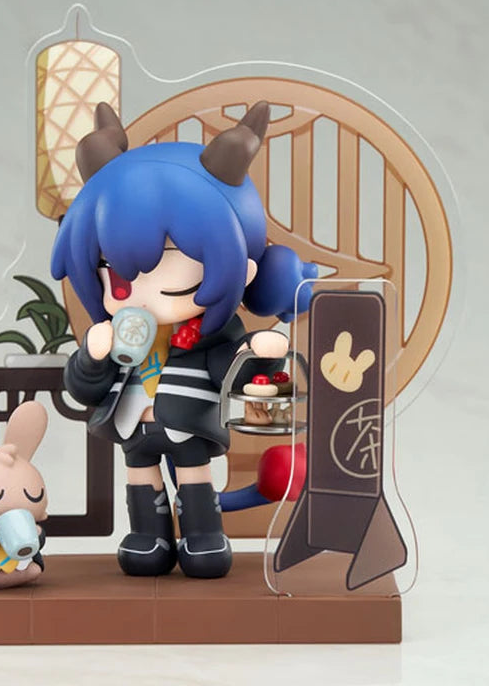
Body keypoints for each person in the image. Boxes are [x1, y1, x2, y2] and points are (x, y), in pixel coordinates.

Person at [51, 101, 316, 578]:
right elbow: (83, 388)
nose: (134, 283)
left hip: (187, 425)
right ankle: (147, 538)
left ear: (241, 266)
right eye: (110, 264)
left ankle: (203, 537)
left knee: (194, 478)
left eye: (167, 259)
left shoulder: (207, 336)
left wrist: (256, 356)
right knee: (140, 478)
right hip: (132, 423)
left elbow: (231, 372)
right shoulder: (115, 333)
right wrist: (93, 355)